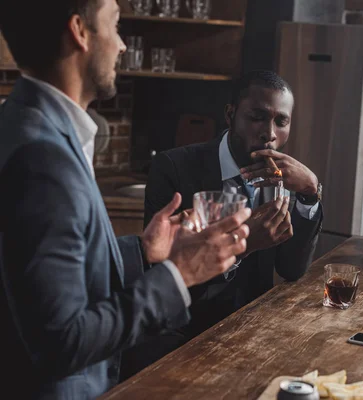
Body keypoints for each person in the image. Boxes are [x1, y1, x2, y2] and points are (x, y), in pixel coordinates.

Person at [0, 1, 250, 398]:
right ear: (80, 32)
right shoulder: (42, 158)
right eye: (115, 25)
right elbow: (60, 342)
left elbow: (40, 271)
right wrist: (178, 275)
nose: (120, 45)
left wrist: (143, 252)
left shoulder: (23, 120)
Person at [123, 69, 323, 378]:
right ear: (230, 115)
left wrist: (310, 192)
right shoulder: (175, 169)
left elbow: (291, 269)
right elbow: (161, 273)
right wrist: (245, 246)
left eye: (281, 122)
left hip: (254, 334)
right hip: (183, 336)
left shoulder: (282, 176)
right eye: (257, 117)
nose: (269, 132)